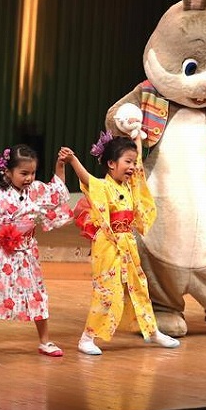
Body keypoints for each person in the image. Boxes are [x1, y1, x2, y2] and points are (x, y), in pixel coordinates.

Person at [67, 131, 180, 355]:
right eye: (127, 161)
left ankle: (152, 331)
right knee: (106, 290)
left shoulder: (130, 187)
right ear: (111, 163)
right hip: (108, 245)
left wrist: (137, 136)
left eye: (133, 162)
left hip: (127, 243)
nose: (132, 167)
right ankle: (87, 338)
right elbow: (86, 178)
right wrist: (72, 160)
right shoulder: (104, 186)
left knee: (139, 286)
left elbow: (138, 170)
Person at [0, 144, 74, 359]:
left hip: (26, 252)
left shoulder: (37, 191)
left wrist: (60, 165)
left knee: (37, 294)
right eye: (24, 173)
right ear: (8, 172)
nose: (29, 178)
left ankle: (45, 341)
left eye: (32, 173)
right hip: (2, 253)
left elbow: (57, 189)